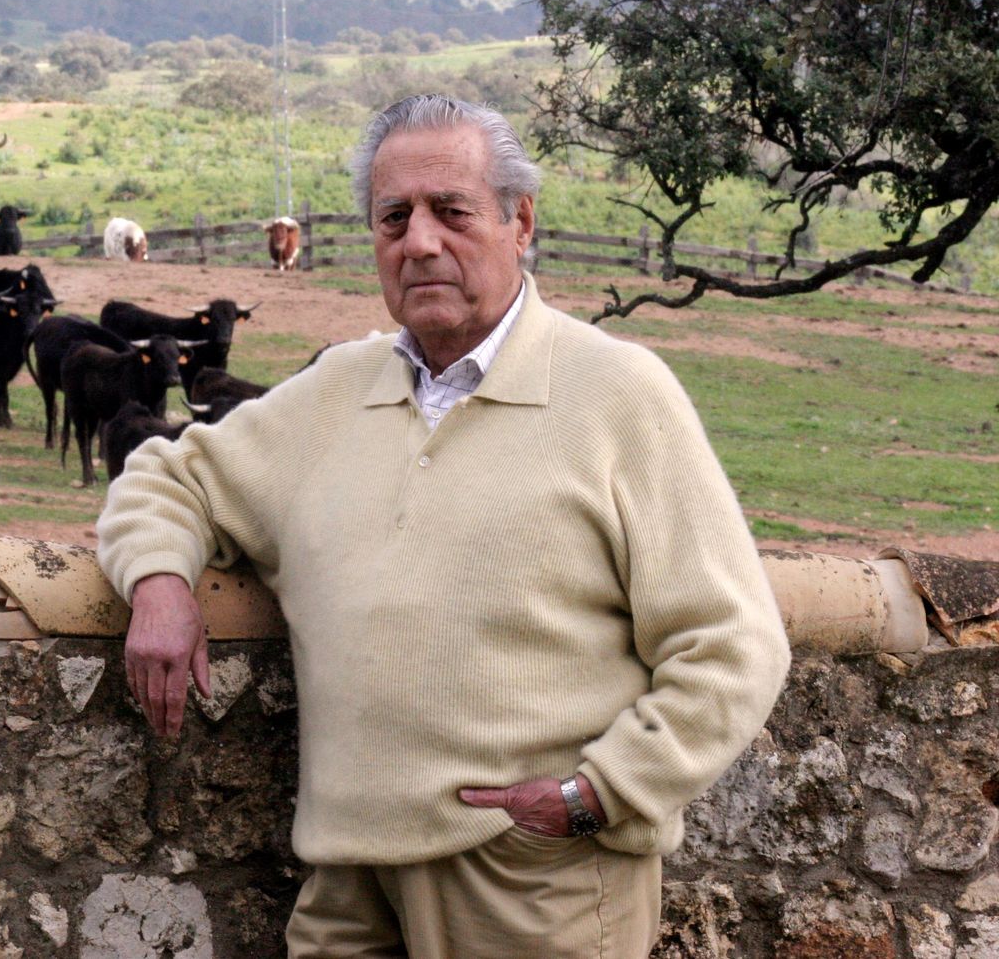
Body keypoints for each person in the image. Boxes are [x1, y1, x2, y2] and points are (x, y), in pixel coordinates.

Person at [97, 94, 791, 958]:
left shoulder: (617, 393)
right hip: (348, 884)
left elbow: (733, 644)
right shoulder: (335, 391)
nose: (420, 241)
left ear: (520, 222)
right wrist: (160, 582)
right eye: (394, 218)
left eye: (451, 211)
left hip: (535, 882)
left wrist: (595, 796)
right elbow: (170, 474)